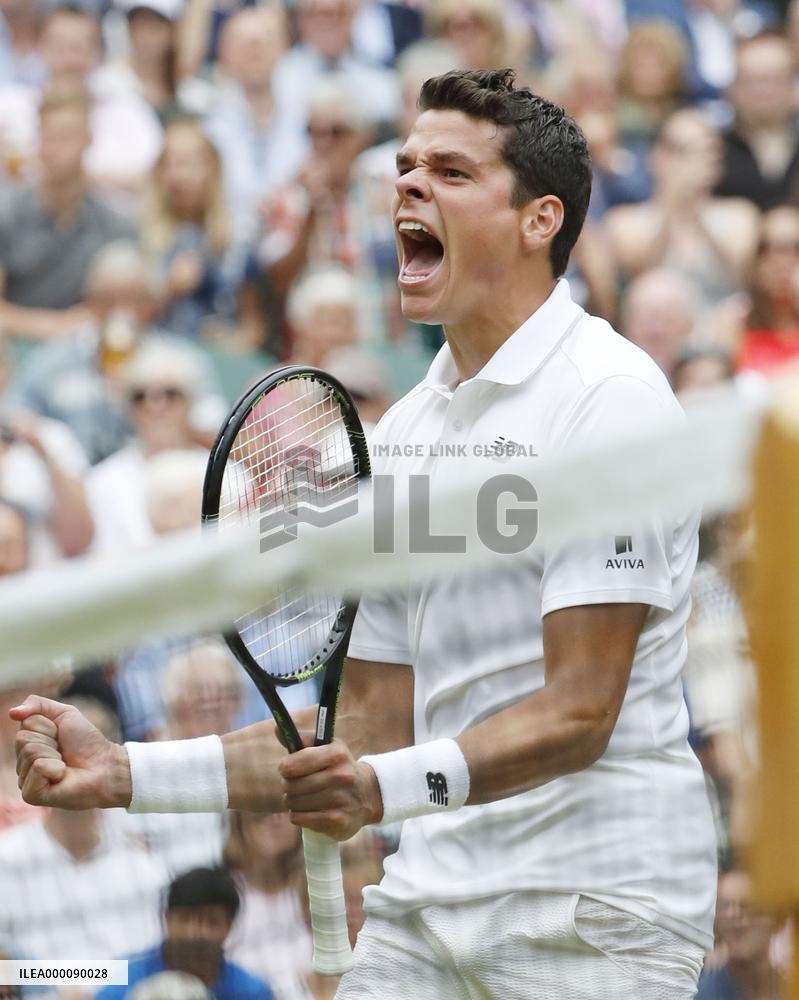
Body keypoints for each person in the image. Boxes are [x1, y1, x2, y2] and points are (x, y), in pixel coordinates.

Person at [12, 69, 716, 998]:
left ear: (538, 220)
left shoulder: (608, 399)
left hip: (591, 912)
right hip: (427, 906)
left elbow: (581, 709)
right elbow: (372, 722)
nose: (409, 185)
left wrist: (383, 791)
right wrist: (125, 771)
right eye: (406, 166)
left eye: (452, 172)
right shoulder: (408, 433)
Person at [0, 697, 168, 961]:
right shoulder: (6, 859)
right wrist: (53, 987)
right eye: (62, 749)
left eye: (87, 749)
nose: (72, 762)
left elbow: (152, 966)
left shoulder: (143, 866)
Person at [0, 83, 135, 341]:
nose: (54, 148)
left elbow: (116, 314)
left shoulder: (114, 225)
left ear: (89, 140)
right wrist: (54, 326)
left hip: (79, 359)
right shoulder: (6, 210)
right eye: (47, 136)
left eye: (65, 136)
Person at [95, 867, 274, 1000]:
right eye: (185, 919)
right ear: (167, 918)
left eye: (211, 922)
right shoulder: (122, 981)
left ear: (229, 927)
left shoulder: (252, 992)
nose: (194, 934)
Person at [714, 31, 799, 212]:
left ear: (793, 87)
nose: (764, 90)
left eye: (774, 79)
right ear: (731, 90)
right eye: (752, 80)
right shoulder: (711, 153)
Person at [695, 870, 788, 999]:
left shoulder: (790, 989)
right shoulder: (701, 994)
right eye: (724, 907)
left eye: (747, 906)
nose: (734, 916)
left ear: (777, 919)